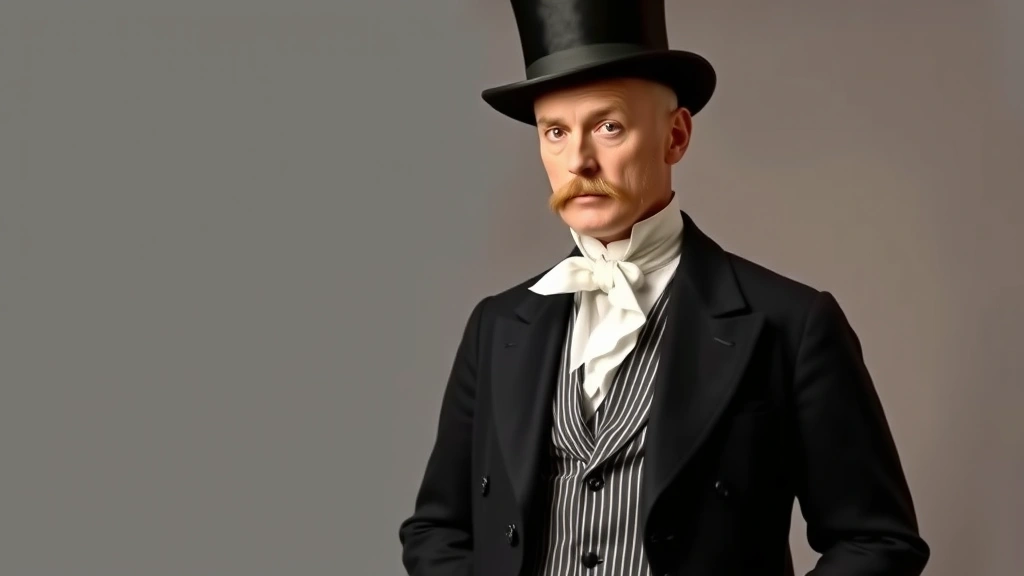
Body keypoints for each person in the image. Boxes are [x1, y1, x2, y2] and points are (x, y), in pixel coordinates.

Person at [398, 1, 930, 575]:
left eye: (608, 127)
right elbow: (437, 529)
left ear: (675, 137)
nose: (579, 161)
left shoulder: (791, 323)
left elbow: (877, 541)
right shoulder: (497, 325)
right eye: (555, 132)